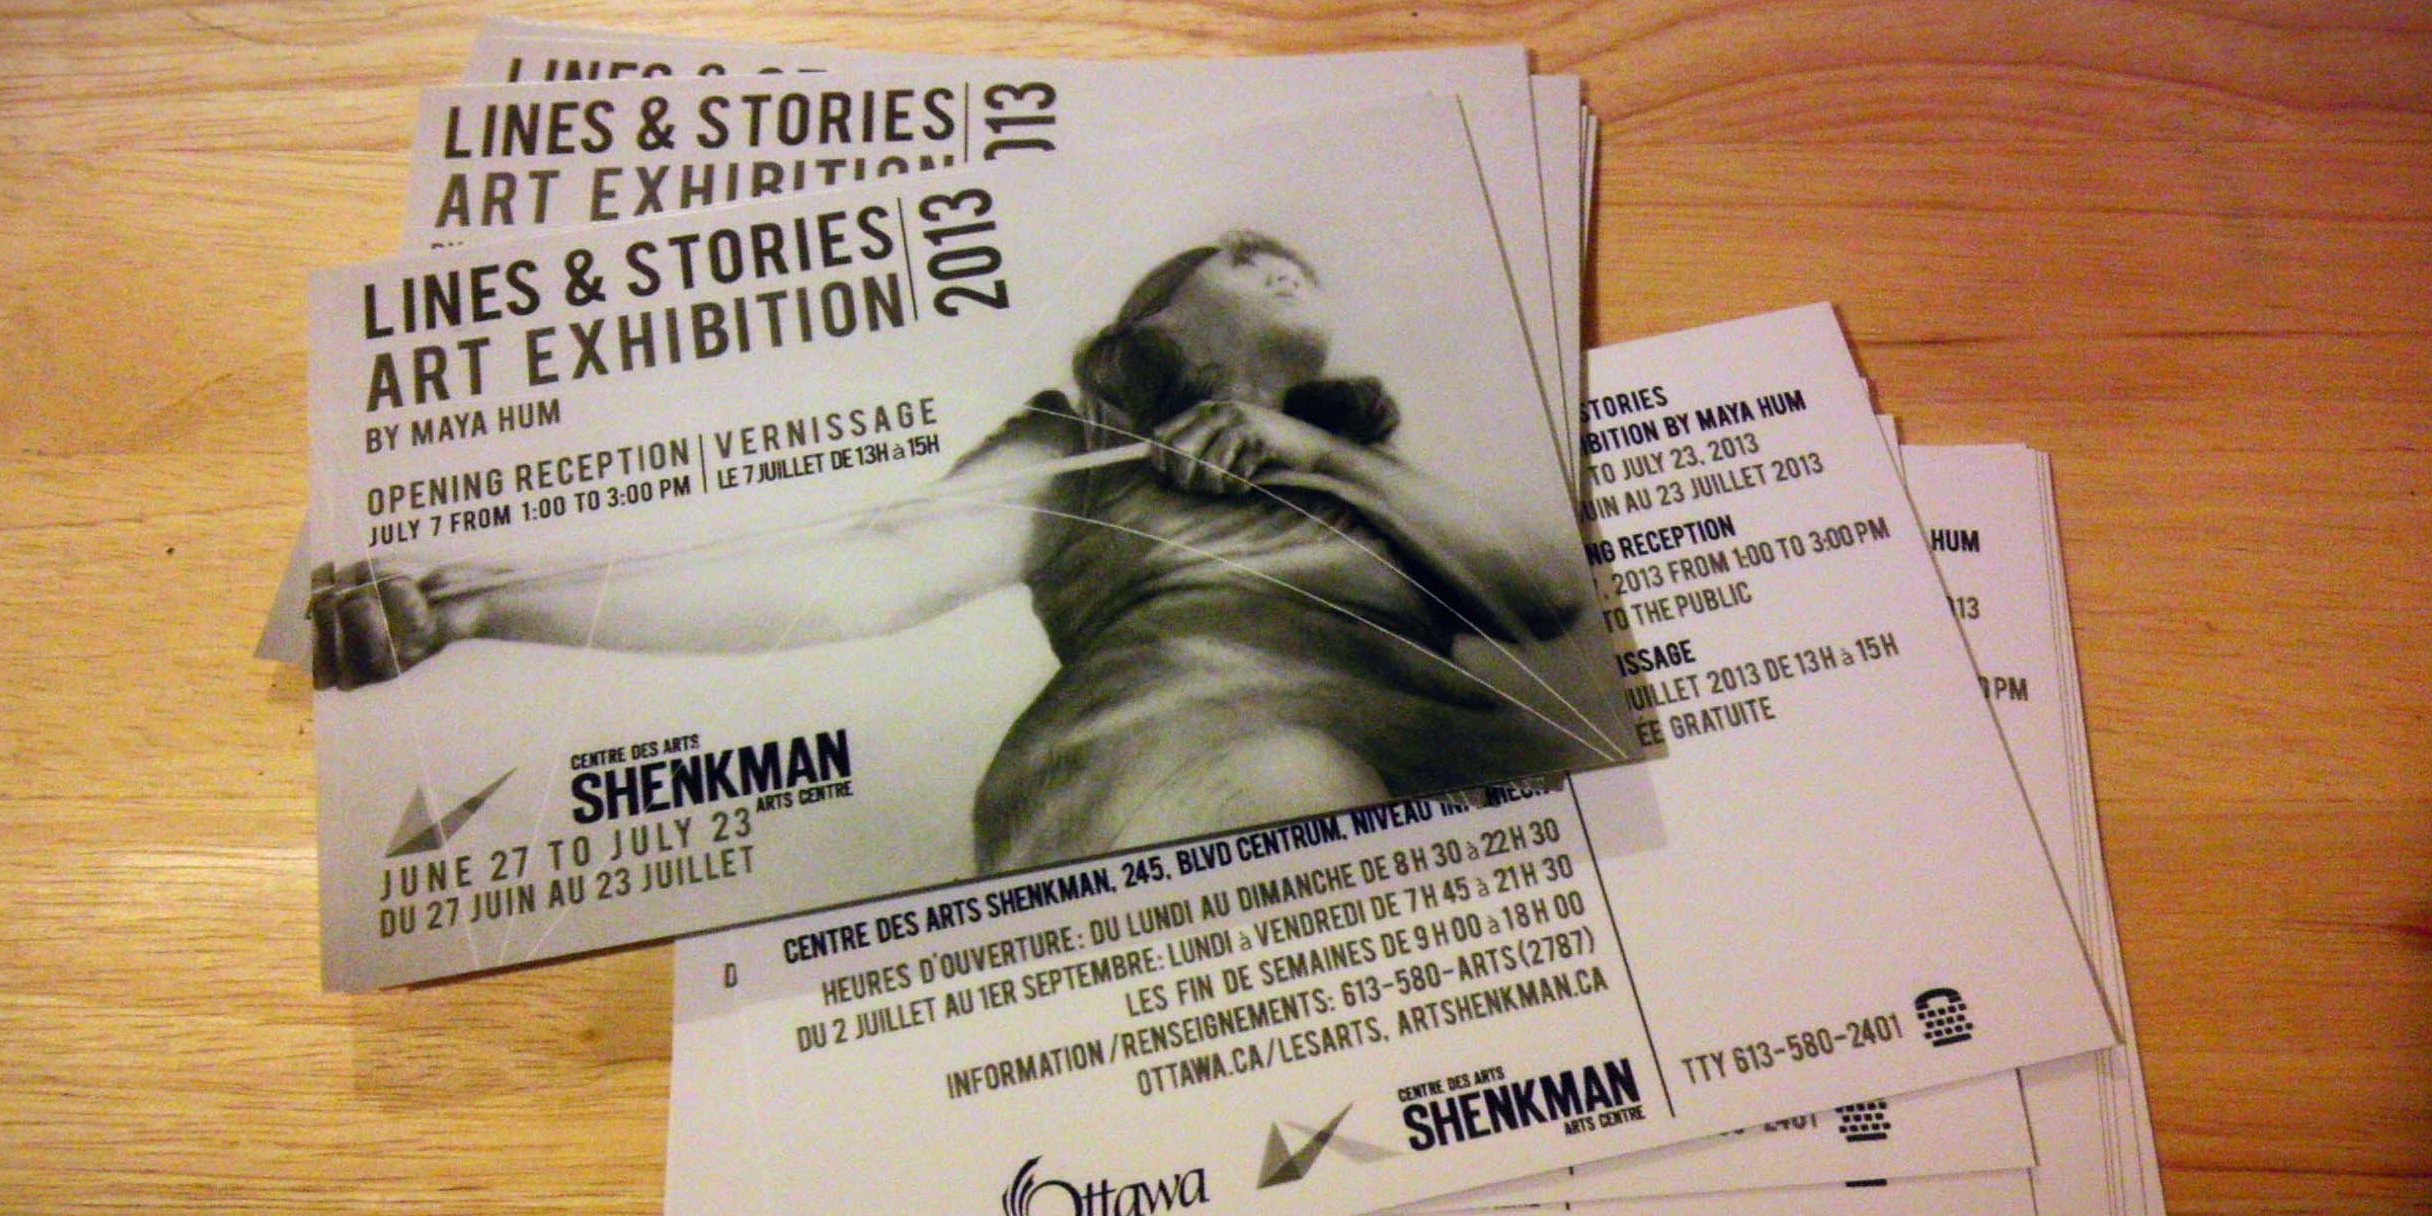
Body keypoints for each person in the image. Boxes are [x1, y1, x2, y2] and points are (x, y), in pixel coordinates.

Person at [315, 231, 1610, 870]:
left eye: (1285, 260)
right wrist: (484, 607)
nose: (1273, 257)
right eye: (1231, 259)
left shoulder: (1364, 470)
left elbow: (1547, 595)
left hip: (1449, 742)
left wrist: (1315, 453)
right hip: (1192, 739)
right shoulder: (1079, 442)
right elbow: (856, 579)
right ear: (1150, 328)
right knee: (1293, 799)